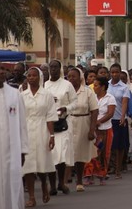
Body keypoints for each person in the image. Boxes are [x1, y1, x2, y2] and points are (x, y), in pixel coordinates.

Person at [0, 61, 28, 209]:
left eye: (3, 69)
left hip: (11, 149)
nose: (2, 72)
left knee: (11, 180)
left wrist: (23, 150)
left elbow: (22, 123)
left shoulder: (15, 94)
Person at [22, 67, 58, 206]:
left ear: (40, 77)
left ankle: (44, 185)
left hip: (43, 129)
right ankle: (31, 197)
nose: (31, 78)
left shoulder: (47, 95)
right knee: (28, 165)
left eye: (34, 76)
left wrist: (52, 136)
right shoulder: (22, 95)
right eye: (29, 76)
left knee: (42, 163)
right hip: (27, 131)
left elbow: (50, 116)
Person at [45, 59, 77, 195]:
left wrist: (66, 108)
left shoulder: (67, 85)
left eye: (56, 67)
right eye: (51, 67)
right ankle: (52, 186)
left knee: (62, 154)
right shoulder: (45, 85)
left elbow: (75, 102)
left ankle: (62, 183)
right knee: (51, 155)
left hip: (63, 123)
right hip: (49, 125)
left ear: (60, 69)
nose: (53, 69)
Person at [66, 68, 98, 192]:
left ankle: (79, 181)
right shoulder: (65, 91)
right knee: (66, 151)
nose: (71, 79)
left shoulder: (88, 92)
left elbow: (94, 110)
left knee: (80, 153)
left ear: (80, 77)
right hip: (68, 121)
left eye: (74, 76)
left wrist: (92, 130)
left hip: (83, 122)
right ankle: (64, 181)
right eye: (69, 76)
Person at [84, 77, 115, 186]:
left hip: (105, 130)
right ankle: (89, 175)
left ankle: (102, 175)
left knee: (103, 153)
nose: (94, 87)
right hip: (93, 129)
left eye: (96, 85)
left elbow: (110, 113)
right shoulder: (92, 98)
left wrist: (99, 121)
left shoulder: (110, 98)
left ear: (103, 87)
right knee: (91, 153)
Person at [107, 63, 131, 179]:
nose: (114, 74)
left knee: (119, 146)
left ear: (120, 72)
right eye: (112, 72)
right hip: (107, 118)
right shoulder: (106, 85)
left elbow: (125, 102)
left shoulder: (124, 87)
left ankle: (118, 169)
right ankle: (107, 168)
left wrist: (123, 116)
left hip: (118, 119)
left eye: (117, 72)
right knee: (108, 145)